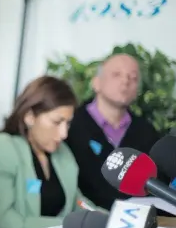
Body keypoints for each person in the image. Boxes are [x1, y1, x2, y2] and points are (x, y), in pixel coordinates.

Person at [0, 76, 99, 228]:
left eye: (68, 123)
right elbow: (3, 222)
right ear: (29, 117)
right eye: (57, 122)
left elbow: (78, 201)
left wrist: (108, 220)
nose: (64, 134)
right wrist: (71, 226)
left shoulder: (62, 152)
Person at [65, 54, 167, 210]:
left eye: (132, 78)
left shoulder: (145, 131)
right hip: (84, 219)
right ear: (96, 83)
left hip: (135, 218)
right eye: (116, 74)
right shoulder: (70, 124)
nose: (125, 81)